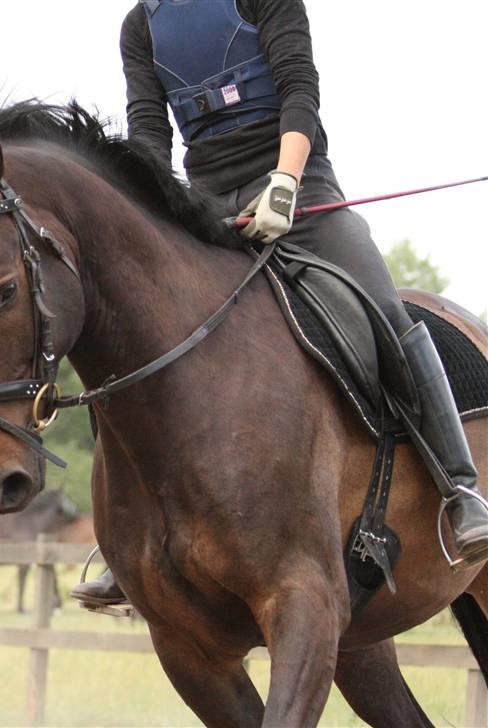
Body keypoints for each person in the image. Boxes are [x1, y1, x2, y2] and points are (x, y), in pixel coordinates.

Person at [71, 0, 488, 606]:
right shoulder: (141, 25)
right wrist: (153, 217)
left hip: (299, 182)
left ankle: (460, 491)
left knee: (384, 312)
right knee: (130, 332)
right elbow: (149, 133)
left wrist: (285, 184)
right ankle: (131, 540)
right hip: (207, 201)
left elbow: (299, 91)